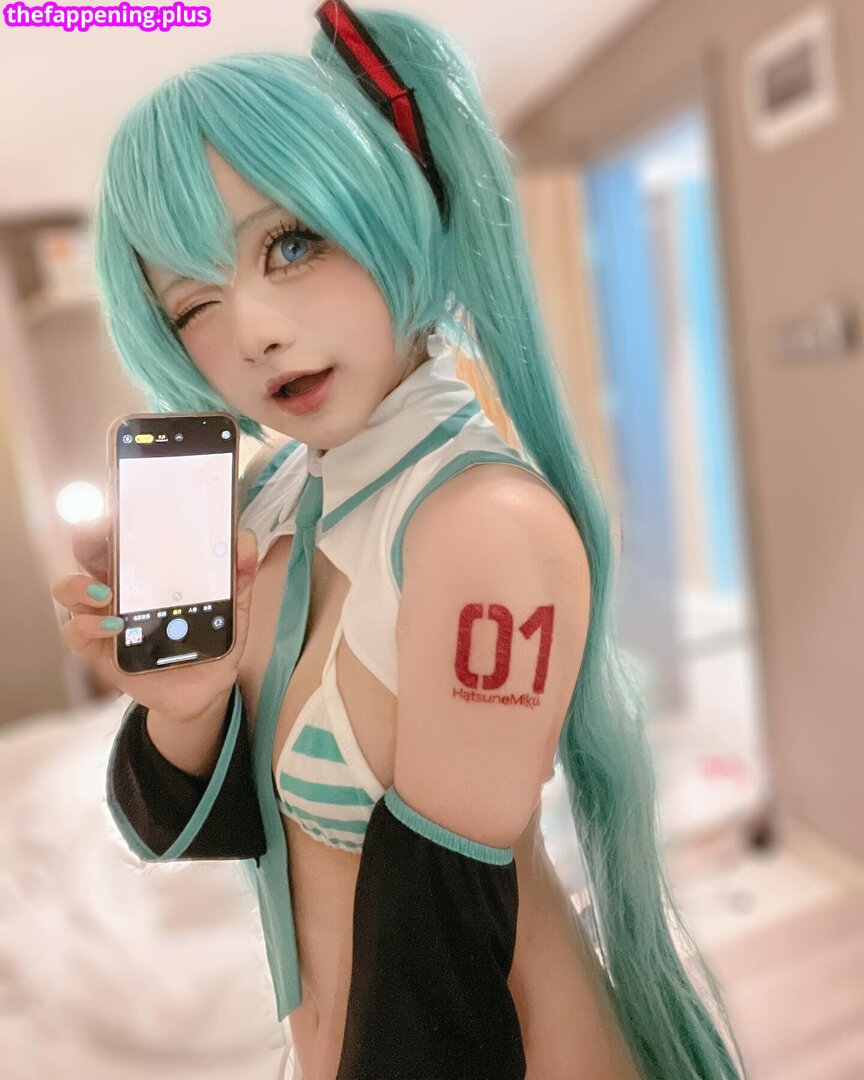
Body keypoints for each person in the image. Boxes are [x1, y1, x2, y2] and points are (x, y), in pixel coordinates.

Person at [51, 3, 750, 1078]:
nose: (252, 332)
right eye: (194, 305)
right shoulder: (275, 500)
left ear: (384, 209)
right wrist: (184, 707)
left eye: (291, 244)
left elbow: (438, 958)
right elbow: (180, 830)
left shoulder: (482, 533)